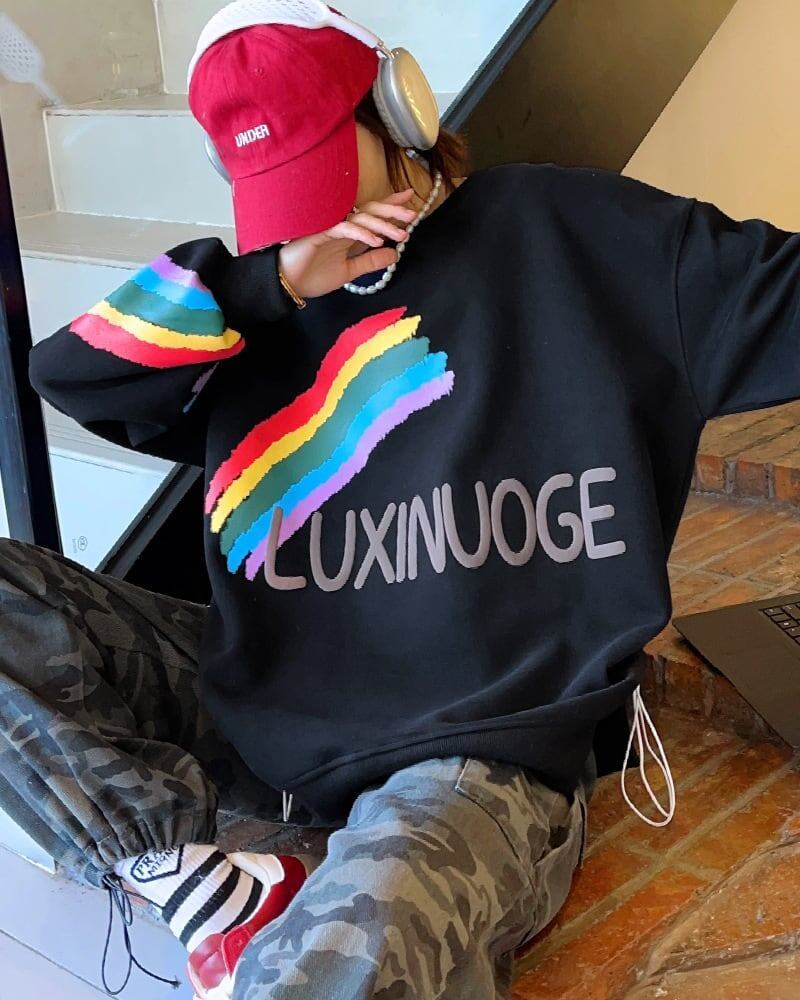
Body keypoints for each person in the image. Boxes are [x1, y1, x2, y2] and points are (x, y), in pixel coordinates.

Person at [2, 1, 800, 997]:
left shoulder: (574, 234)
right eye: (276, 187)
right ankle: (193, 878)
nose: (311, 214)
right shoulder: (255, 303)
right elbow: (70, 374)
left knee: (338, 965)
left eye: (323, 170)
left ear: (400, 108)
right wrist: (266, 288)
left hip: (476, 749)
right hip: (266, 705)